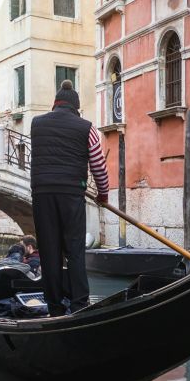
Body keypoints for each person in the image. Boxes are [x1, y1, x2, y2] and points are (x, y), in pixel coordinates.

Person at [30, 79, 109, 316]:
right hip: (71, 194)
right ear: (76, 107)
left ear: (55, 104)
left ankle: (54, 308)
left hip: (42, 193)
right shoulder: (87, 128)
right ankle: (79, 305)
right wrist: (103, 194)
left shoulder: (36, 125)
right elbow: (98, 165)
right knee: (75, 250)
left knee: (49, 251)